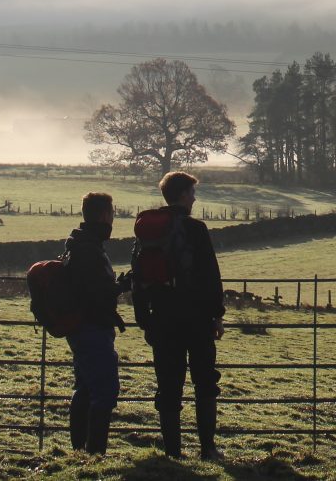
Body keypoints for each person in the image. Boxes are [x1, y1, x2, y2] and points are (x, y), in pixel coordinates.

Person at [134, 171, 227, 460]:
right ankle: (208, 449)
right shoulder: (195, 229)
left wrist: (144, 320)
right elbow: (211, 276)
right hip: (196, 318)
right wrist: (217, 315)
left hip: (162, 318)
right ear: (184, 195)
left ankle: (173, 452)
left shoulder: (149, 230)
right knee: (205, 382)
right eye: (192, 192)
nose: (195, 198)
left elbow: (139, 277)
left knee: (169, 386)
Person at [65, 192, 128, 454]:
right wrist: (120, 288)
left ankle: (81, 450)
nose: (112, 220)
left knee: (86, 388)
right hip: (92, 327)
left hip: (82, 326)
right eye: (111, 214)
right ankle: (95, 452)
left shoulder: (79, 244)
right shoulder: (89, 250)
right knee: (104, 390)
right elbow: (96, 293)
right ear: (104, 215)